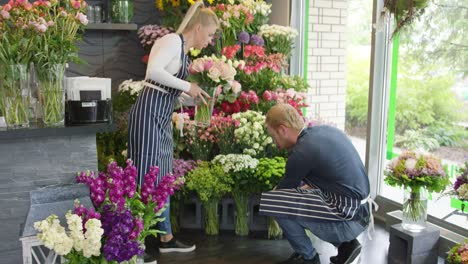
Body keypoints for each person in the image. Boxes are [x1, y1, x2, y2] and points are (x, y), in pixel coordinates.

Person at [127, 0, 219, 259]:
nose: (209, 41)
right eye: (210, 34)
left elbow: (171, 92)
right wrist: (187, 85)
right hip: (147, 116)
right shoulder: (170, 42)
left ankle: (165, 237)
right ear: (198, 27)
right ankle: (135, 244)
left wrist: (196, 96)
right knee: (144, 177)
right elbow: (152, 72)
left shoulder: (184, 53)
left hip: (162, 117)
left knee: (163, 177)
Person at [259, 104, 373, 264]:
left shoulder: (301, 153)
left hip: (349, 217)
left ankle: (309, 257)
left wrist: (280, 194)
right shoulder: (323, 131)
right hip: (362, 209)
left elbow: (281, 195)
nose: (274, 142)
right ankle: (347, 245)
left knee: (274, 203)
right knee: (293, 199)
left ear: (282, 129)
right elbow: (332, 179)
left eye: (273, 136)